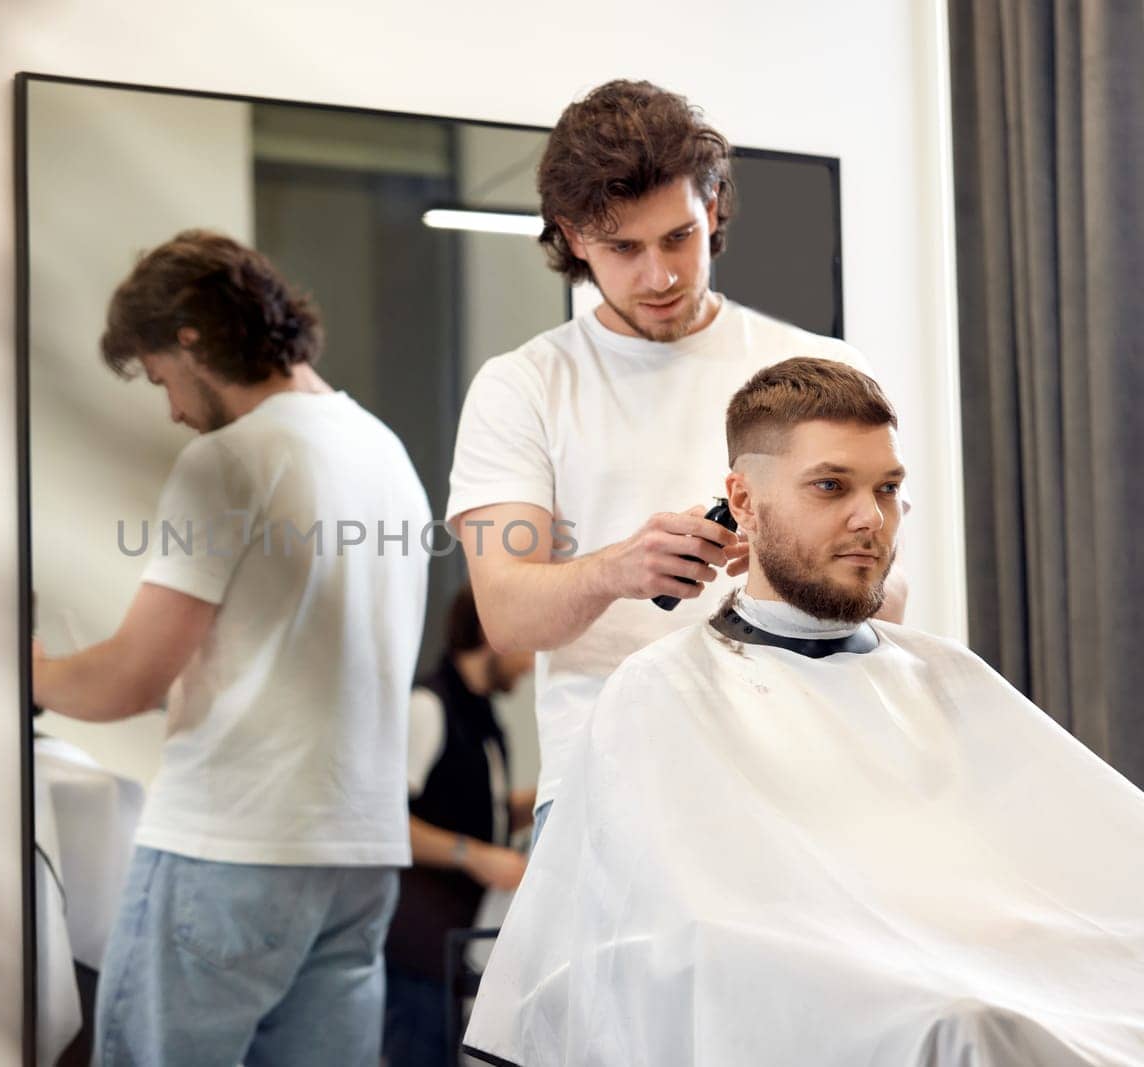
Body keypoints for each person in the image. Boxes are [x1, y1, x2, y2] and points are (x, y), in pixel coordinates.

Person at [462, 358, 1144, 1066]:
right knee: (964, 1024)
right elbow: (689, 940)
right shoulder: (663, 691)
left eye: (887, 489)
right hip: (865, 1001)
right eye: (830, 486)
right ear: (743, 503)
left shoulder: (939, 674)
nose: (870, 519)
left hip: (975, 967)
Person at [446, 80, 906, 841]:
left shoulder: (819, 365)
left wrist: (796, 553)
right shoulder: (523, 387)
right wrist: (619, 569)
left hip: (804, 766)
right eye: (623, 248)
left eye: (678, 238)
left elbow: (886, 601)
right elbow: (506, 615)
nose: (658, 276)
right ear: (574, 235)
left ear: (715, 207)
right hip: (613, 779)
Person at [32, 230, 432, 1067]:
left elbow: (131, 678)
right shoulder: (384, 451)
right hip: (359, 856)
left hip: (233, 848)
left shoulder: (230, 460)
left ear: (188, 338)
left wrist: (22, 671)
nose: (173, 409)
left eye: (160, 380)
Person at [382, 585, 534, 1065]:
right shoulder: (427, 707)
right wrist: (476, 856)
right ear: (496, 634)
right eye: (527, 646)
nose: (531, 665)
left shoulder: (483, 717)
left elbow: (476, 808)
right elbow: (385, 818)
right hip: (414, 948)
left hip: (454, 949)